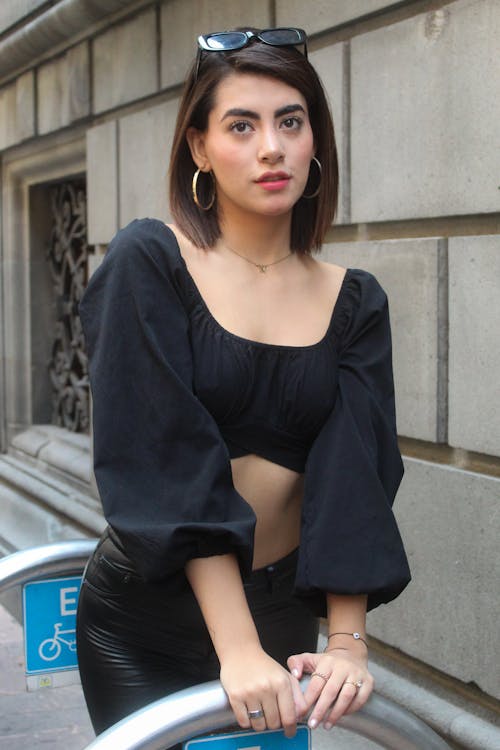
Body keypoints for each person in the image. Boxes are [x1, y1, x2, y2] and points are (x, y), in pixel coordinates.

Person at [76, 26, 411, 742]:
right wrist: (234, 649)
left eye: (291, 121)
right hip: (148, 620)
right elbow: (164, 459)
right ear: (199, 147)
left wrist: (347, 643)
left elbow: (356, 473)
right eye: (241, 125)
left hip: (282, 612)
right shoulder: (151, 260)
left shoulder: (356, 300)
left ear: (315, 138)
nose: (271, 147)